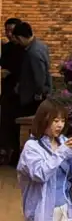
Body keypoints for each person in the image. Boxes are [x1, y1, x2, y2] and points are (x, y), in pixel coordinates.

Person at [13, 22, 53, 117]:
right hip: (40, 93)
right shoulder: (41, 46)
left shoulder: (33, 53)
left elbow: (39, 77)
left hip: (33, 97)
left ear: (20, 37)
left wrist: (38, 93)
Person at [0, 17, 24, 166]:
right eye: (6, 30)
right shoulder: (7, 48)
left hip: (21, 93)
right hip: (8, 91)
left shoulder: (26, 50)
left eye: (12, 31)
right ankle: (6, 151)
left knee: (17, 124)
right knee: (6, 122)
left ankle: (16, 154)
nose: (9, 34)